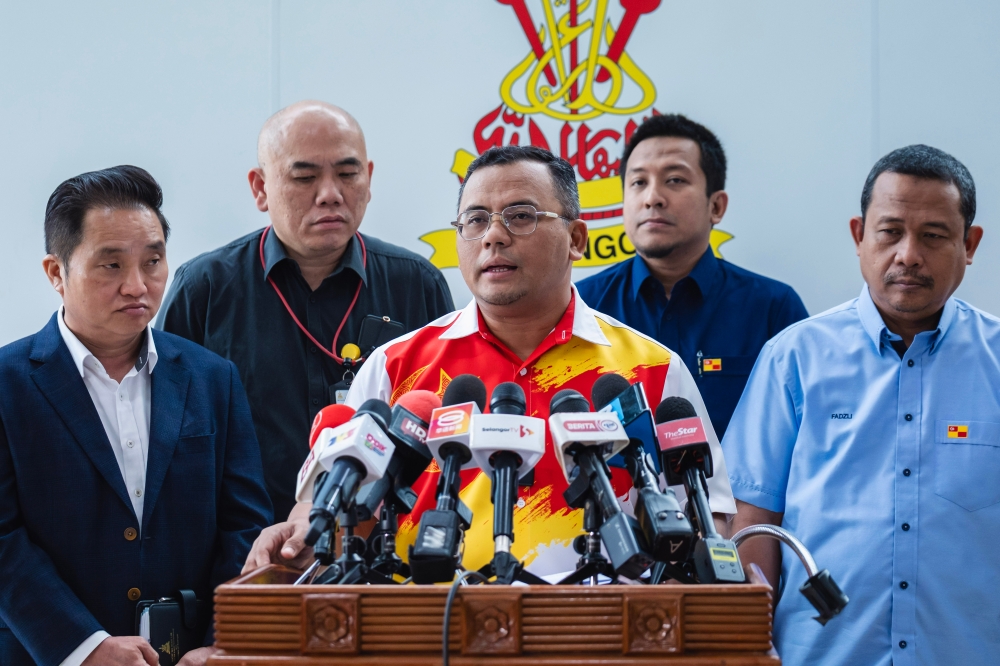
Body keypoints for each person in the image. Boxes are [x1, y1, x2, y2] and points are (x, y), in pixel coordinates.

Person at [244, 145, 736, 579]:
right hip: (424, 635)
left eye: (521, 216)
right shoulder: (394, 368)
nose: (493, 237)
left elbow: (708, 517)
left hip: (603, 638)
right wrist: (300, 537)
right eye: (475, 220)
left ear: (577, 239)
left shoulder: (650, 369)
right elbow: (324, 514)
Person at [724, 145, 995, 665]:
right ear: (859, 236)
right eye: (890, 231)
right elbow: (752, 520)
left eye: (934, 236)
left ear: (970, 243)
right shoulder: (794, 358)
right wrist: (752, 644)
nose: (908, 255)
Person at [0, 166, 272, 666]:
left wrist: (222, 641)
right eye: (110, 266)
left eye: (153, 261)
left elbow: (245, 528)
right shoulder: (7, 382)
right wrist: (84, 647)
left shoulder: (213, 378)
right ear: (56, 273)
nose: (137, 285)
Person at [157, 101, 455, 522]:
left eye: (348, 174)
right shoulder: (205, 288)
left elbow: (445, 434)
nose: (330, 193)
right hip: (245, 549)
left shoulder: (417, 285)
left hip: (383, 545)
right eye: (305, 177)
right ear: (260, 188)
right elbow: (169, 439)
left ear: (369, 179)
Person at [576, 114, 808, 438]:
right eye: (638, 182)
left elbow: (804, 433)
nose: (652, 197)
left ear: (716, 206)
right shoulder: (583, 307)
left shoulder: (773, 309)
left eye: (674, 180)